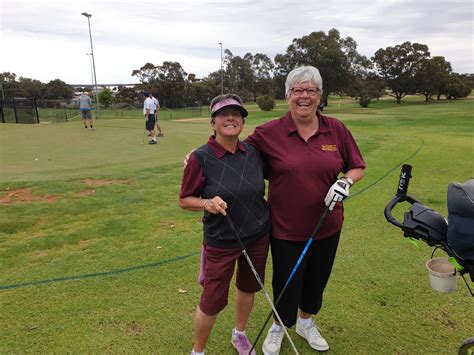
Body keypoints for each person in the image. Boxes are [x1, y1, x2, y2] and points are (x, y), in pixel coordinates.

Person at [244, 65, 366, 354]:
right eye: (298, 90)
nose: (304, 96)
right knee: (286, 282)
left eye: (311, 90)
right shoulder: (268, 132)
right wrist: (200, 157)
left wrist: (346, 181)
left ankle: (305, 323)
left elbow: (357, 166)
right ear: (287, 96)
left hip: (327, 226)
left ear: (319, 96)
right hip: (286, 228)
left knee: (315, 281)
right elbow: (236, 154)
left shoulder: (336, 129)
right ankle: (277, 327)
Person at [179, 94, 271, 355]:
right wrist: (206, 203)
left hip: (257, 234)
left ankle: (239, 334)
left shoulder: (253, 152)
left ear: (242, 121)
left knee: (249, 286)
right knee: (212, 300)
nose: (230, 118)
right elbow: (185, 200)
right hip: (222, 239)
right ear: (213, 122)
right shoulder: (200, 158)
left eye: (236, 113)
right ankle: (198, 351)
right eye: (223, 114)